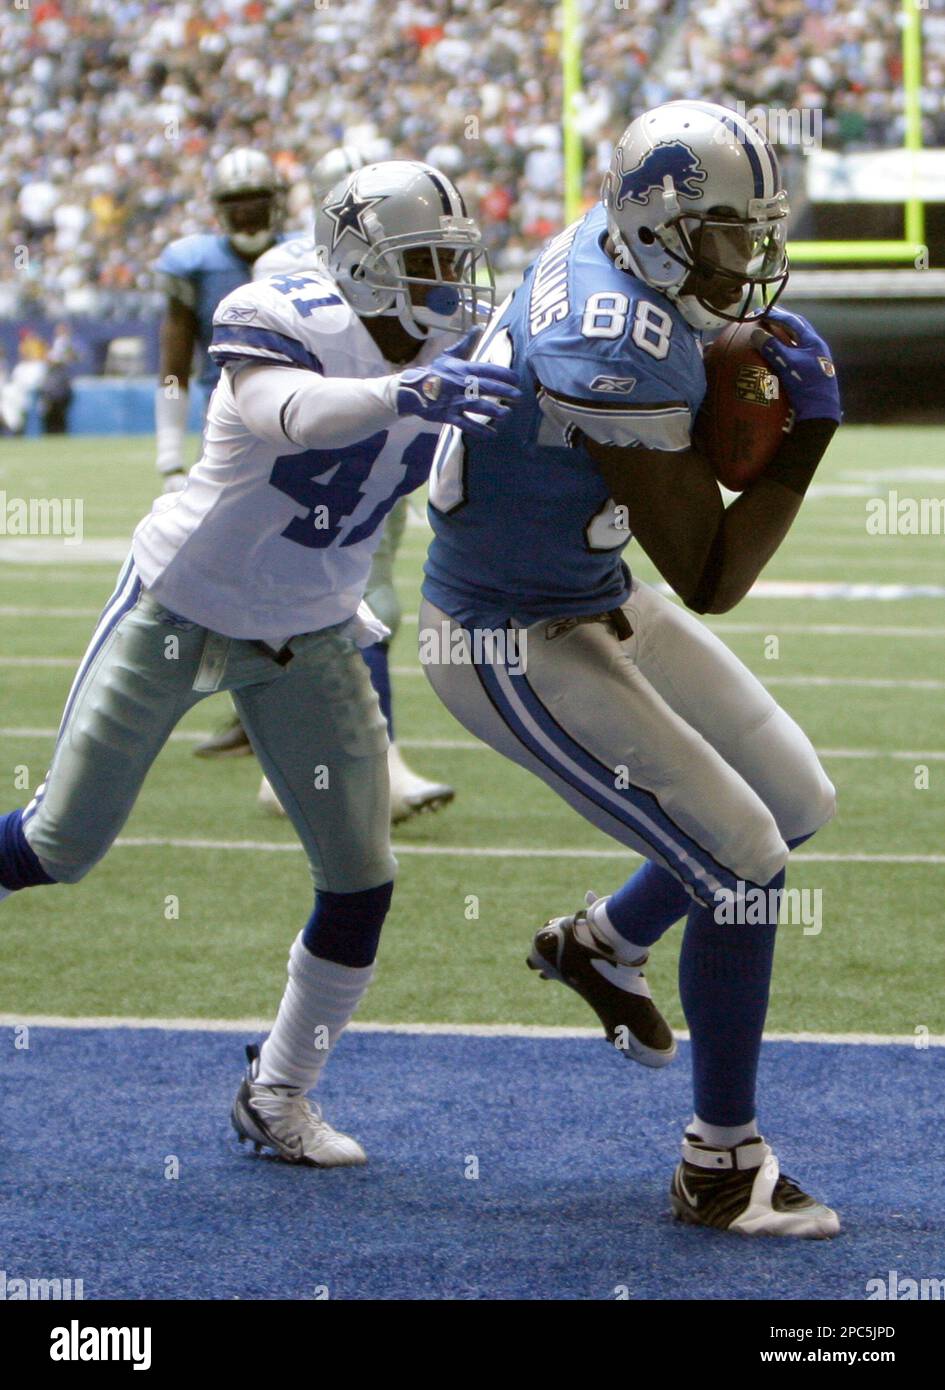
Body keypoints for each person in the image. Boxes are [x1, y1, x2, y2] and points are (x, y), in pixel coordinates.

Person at [0, 160, 517, 1167]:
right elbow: (291, 414)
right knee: (58, 845)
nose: (450, 285)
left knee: (363, 876)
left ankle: (278, 1092)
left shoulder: (463, 340)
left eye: (457, 261)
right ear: (364, 268)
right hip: (181, 602)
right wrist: (401, 389)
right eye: (425, 263)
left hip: (311, 626)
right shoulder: (279, 310)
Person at [419, 100, 843, 1236]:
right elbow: (709, 571)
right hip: (504, 630)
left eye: (756, 232)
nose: (747, 260)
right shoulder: (607, 342)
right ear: (662, 225)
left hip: (584, 586)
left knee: (798, 799)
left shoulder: (613, 248)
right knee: (745, 860)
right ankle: (720, 1164)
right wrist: (805, 443)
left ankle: (601, 943)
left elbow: (676, 354)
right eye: (728, 234)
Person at [251, 146, 456, 823]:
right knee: (332, 607)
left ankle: (297, 766)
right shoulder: (286, 273)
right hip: (319, 458)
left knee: (358, 605)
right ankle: (358, 766)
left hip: (380, 449)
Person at [153, 147, 289, 499]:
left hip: (301, 411)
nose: (246, 212)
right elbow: (174, 368)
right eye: (235, 202)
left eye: (256, 200)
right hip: (226, 421)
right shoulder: (193, 263)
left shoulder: (304, 256)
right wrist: (170, 458)